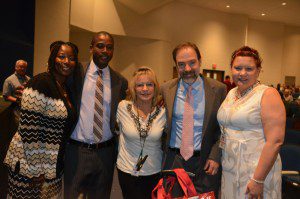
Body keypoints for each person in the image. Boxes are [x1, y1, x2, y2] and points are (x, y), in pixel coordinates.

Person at [4, 41, 79, 198]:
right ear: (53, 58)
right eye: (62, 56)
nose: (67, 61)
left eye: (71, 58)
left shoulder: (66, 88)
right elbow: (28, 130)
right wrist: (36, 169)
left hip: (53, 165)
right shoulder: (39, 83)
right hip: (30, 167)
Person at [64, 31, 128, 199]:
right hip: (76, 151)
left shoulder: (120, 81)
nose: (105, 51)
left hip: (105, 154)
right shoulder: (75, 72)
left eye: (109, 47)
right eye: (100, 46)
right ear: (91, 48)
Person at [217, 46, 285, 199]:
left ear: (258, 70)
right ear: (231, 69)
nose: (242, 73)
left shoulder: (268, 94)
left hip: (255, 173)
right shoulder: (231, 93)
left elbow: (275, 141)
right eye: (238, 68)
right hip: (230, 170)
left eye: (249, 68)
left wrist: (258, 179)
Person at [160, 42, 227, 197]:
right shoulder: (166, 89)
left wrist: (216, 155)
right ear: (176, 66)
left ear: (200, 61)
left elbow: (224, 129)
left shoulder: (218, 90)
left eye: (192, 63)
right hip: (174, 161)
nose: (188, 69)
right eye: (181, 65)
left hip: (206, 163)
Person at [116, 67, 166, 199]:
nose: (145, 89)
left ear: (155, 87)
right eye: (140, 85)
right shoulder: (123, 107)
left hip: (154, 171)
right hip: (127, 171)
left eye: (149, 84)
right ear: (134, 88)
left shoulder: (163, 113)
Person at [2, 60, 30, 128]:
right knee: (18, 128)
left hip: (27, 109)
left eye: (24, 67)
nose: (22, 69)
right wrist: (18, 101)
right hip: (16, 110)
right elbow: (6, 96)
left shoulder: (28, 79)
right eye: (20, 67)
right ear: (16, 67)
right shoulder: (9, 80)